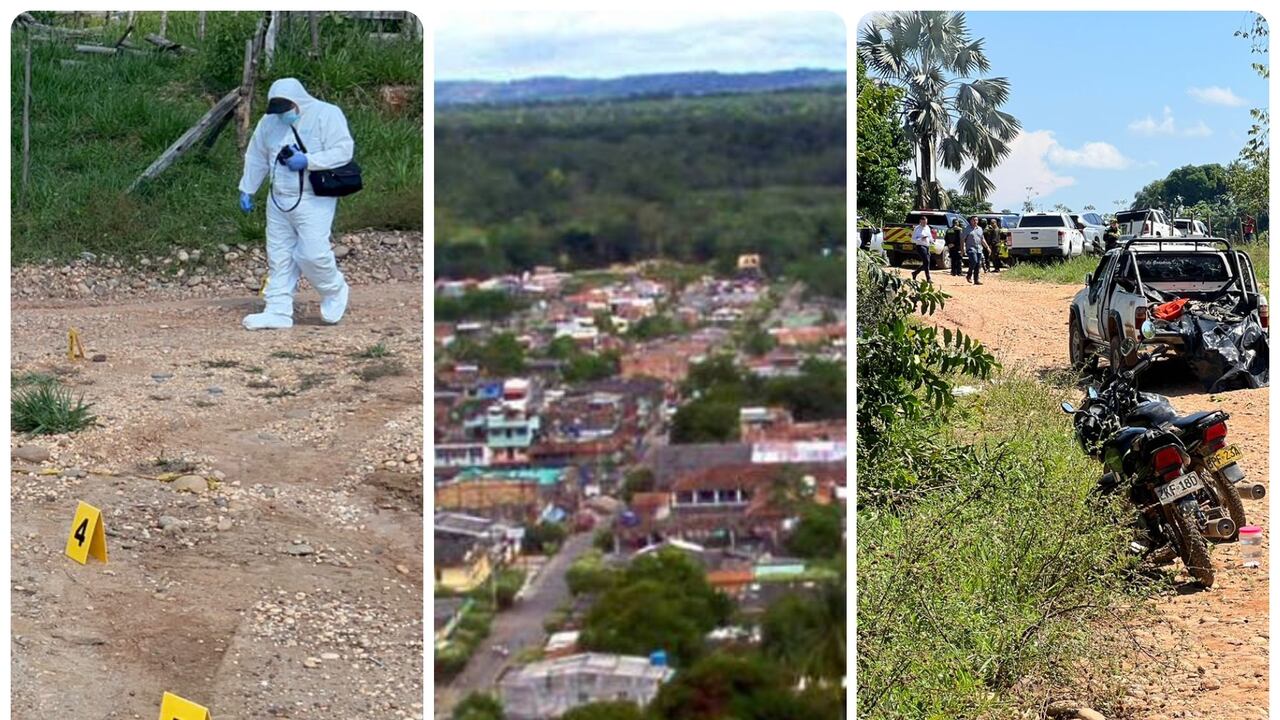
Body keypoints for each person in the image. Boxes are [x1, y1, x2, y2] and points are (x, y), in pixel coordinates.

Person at [238, 78, 354, 330]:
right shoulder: (269, 122)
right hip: (278, 199)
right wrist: (247, 188)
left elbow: (343, 150)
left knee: (312, 253)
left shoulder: (327, 114)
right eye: (277, 111)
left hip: (314, 199)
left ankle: (334, 290)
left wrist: (308, 160)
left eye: (286, 109)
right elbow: (256, 155)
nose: (282, 116)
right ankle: (277, 310)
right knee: (279, 257)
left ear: (298, 101)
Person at [965, 217, 992, 285]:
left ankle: (976, 280)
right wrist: (962, 250)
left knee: (978, 264)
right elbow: (962, 239)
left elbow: (982, 239)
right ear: (970, 221)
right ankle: (969, 275)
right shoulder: (967, 229)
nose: (975, 221)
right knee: (974, 260)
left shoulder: (980, 229)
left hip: (979, 248)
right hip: (970, 248)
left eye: (976, 220)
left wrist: (987, 247)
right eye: (973, 220)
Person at [910, 216, 935, 283]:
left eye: (926, 222)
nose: (924, 224)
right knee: (926, 261)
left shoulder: (927, 227)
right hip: (920, 246)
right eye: (923, 222)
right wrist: (920, 239)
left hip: (927, 246)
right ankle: (928, 278)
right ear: (920, 222)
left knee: (927, 262)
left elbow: (929, 236)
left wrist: (932, 241)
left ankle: (915, 273)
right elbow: (912, 240)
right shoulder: (917, 228)